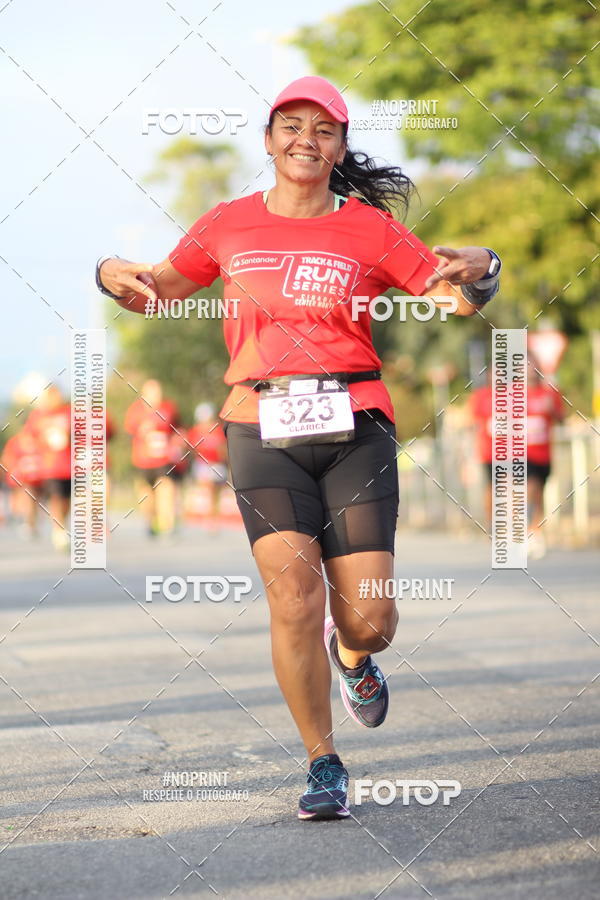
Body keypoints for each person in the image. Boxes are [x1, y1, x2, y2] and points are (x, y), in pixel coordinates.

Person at [96, 76, 502, 821]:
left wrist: (486, 269)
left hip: (355, 425)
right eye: (292, 125)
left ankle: (353, 659)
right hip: (261, 428)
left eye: (323, 129)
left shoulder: (370, 231)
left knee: (371, 618)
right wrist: (108, 274)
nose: (305, 139)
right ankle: (322, 760)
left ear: (340, 145)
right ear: (269, 139)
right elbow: (155, 286)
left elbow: (448, 292)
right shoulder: (227, 224)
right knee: (291, 598)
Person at [469, 358, 564, 557]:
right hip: (508, 454)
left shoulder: (547, 393)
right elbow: (474, 423)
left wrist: (550, 409)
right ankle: (505, 531)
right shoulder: (494, 396)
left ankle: (533, 531)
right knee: (506, 490)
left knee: (537, 493)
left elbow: (560, 417)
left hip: (542, 454)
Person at [124, 379, 180, 537]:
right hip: (143, 461)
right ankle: (151, 520)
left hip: (163, 459)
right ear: (144, 394)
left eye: (158, 392)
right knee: (147, 496)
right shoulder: (135, 411)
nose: (156, 396)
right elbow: (128, 433)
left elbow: (177, 428)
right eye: (152, 392)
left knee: (165, 488)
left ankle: (166, 524)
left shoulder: (169, 408)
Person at [27, 385, 71, 551]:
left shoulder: (69, 412)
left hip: (69, 465)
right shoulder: (38, 416)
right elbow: (30, 437)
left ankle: (61, 523)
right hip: (50, 466)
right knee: (56, 497)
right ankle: (59, 531)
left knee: (66, 499)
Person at [186, 402, 228, 529]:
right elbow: (191, 449)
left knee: (216, 492)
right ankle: (208, 517)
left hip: (217, 465)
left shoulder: (218, 430)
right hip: (202, 464)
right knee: (208, 488)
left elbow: (223, 448)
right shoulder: (194, 431)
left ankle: (214, 517)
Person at [1, 424, 44, 538]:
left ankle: (31, 521)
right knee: (27, 496)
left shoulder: (40, 440)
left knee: (34, 499)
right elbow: (7, 457)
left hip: (38, 475)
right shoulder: (15, 441)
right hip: (21, 476)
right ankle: (28, 522)